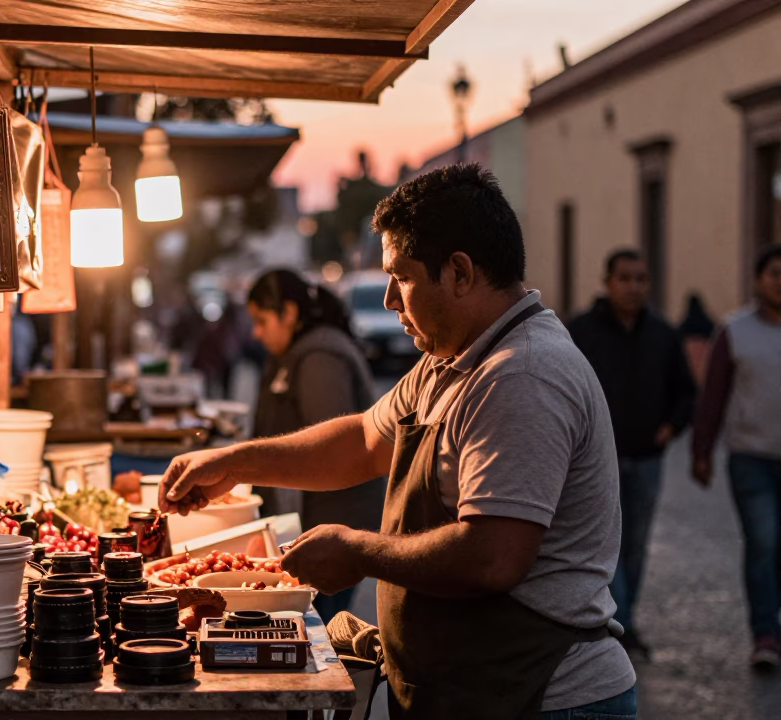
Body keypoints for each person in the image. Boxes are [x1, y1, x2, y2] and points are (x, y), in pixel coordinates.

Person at [161, 165, 635, 718]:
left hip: (547, 700)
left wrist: (356, 551)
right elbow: (363, 441)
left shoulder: (521, 374)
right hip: (472, 689)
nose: (388, 299)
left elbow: (492, 556)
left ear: (459, 272)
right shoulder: (447, 360)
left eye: (401, 277)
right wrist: (238, 462)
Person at [566, 249, 696, 658]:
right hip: (594, 464)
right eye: (625, 278)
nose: (633, 286)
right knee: (604, 543)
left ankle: (626, 618)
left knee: (635, 545)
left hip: (646, 458)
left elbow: (686, 391)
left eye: (641, 279)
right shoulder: (581, 331)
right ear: (607, 282)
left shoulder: (662, 333)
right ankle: (617, 625)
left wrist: (671, 427)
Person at [246, 268, 384, 623]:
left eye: (261, 320)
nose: (255, 333)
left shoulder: (320, 358)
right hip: (310, 522)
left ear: (288, 313)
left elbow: (332, 446)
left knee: (318, 626)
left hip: (334, 524)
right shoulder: (296, 351)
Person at [692, 243, 781, 669]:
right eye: (774, 273)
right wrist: (701, 450)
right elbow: (713, 395)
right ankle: (765, 635)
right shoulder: (735, 329)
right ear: (758, 280)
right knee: (763, 543)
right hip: (751, 456)